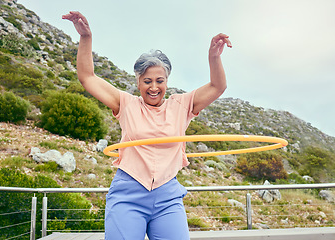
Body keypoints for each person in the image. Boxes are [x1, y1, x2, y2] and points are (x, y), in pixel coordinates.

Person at [62, 11, 232, 240]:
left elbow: (217, 87)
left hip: (167, 196)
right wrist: (85, 38)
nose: (154, 87)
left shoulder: (181, 105)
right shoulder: (126, 104)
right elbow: (87, 77)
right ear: (138, 82)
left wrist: (214, 56)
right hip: (128, 194)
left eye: (159, 81)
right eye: (147, 81)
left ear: (167, 81)